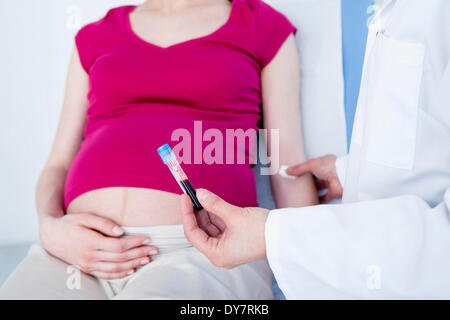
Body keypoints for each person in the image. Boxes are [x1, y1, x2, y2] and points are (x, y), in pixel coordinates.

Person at [0, 0, 317, 299]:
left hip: (207, 252)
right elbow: (56, 165)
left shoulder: (260, 26)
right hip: (75, 251)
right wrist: (49, 228)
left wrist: (311, 261)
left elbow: (287, 165)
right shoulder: (95, 35)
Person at [180, 0, 450, 299]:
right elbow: (424, 134)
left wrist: (273, 237)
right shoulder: (398, 11)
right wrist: (348, 171)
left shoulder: (261, 26)